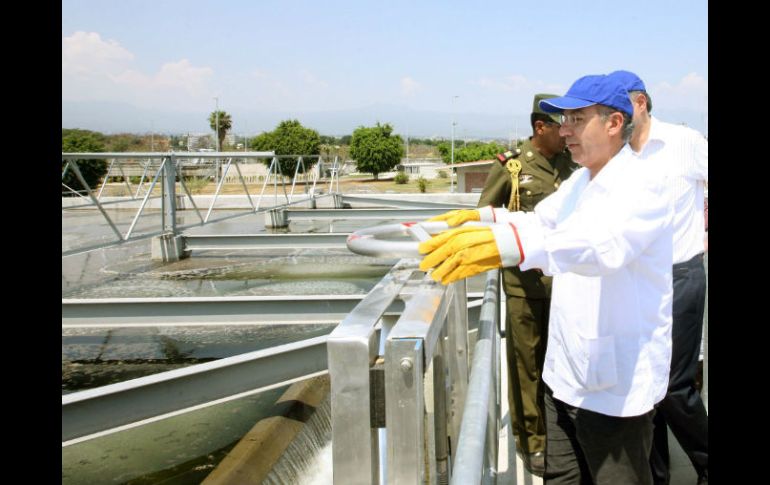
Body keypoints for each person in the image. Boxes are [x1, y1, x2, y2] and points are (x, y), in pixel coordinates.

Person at [419, 73, 674, 484]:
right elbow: (541, 220)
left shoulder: (644, 185)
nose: (564, 130)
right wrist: (481, 218)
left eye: (576, 119)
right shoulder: (581, 180)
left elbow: (600, 247)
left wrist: (508, 248)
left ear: (613, 123)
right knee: (561, 479)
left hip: (615, 392)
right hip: (566, 378)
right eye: (563, 120)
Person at [444, 93, 576, 476]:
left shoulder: (571, 165)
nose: (567, 133)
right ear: (540, 127)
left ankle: (560, 434)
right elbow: (487, 217)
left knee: (560, 361)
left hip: (564, 284)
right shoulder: (512, 167)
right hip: (523, 286)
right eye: (560, 126)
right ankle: (531, 441)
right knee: (527, 366)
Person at [608, 70, 708, 485]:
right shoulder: (618, 157)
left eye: (621, 106)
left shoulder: (685, 142)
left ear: (642, 102)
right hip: (634, 281)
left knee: (673, 385)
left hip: (680, 275)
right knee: (645, 384)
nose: (615, 116)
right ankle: (656, 476)